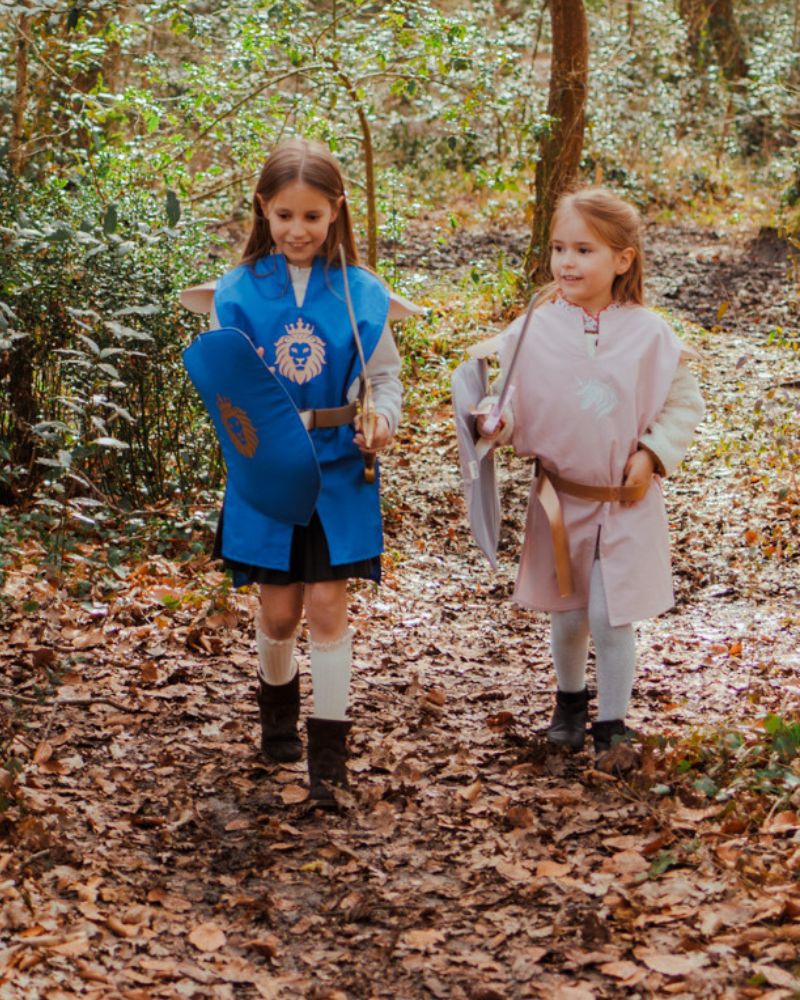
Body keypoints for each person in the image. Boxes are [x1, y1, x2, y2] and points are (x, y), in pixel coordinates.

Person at [181, 138, 420, 805]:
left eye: (312, 216)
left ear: (336, 211)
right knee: (281, 612)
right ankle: (277, 715)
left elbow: (383, 377)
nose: (297, 230)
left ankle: (329, 755)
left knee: (327, 606)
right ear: (263, 208)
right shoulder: (236, 291)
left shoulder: (360, 293)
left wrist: (382, 417)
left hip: (340, 466)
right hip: (268, 469)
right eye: (284, 215)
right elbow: (226, 384)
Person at [475, 187, 705, 771]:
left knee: (610, 612)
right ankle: (570, 703)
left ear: (622, 259)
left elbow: (683, 404)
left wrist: (652, 453)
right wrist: (494, 420)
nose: (567, 262)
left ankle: (613, 724)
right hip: (561, 497)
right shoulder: (533, 328)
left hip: (625, 500)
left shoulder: (651, 334)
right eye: (559, 248)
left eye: (584, 250)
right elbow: (507, 397)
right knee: (570, 611)